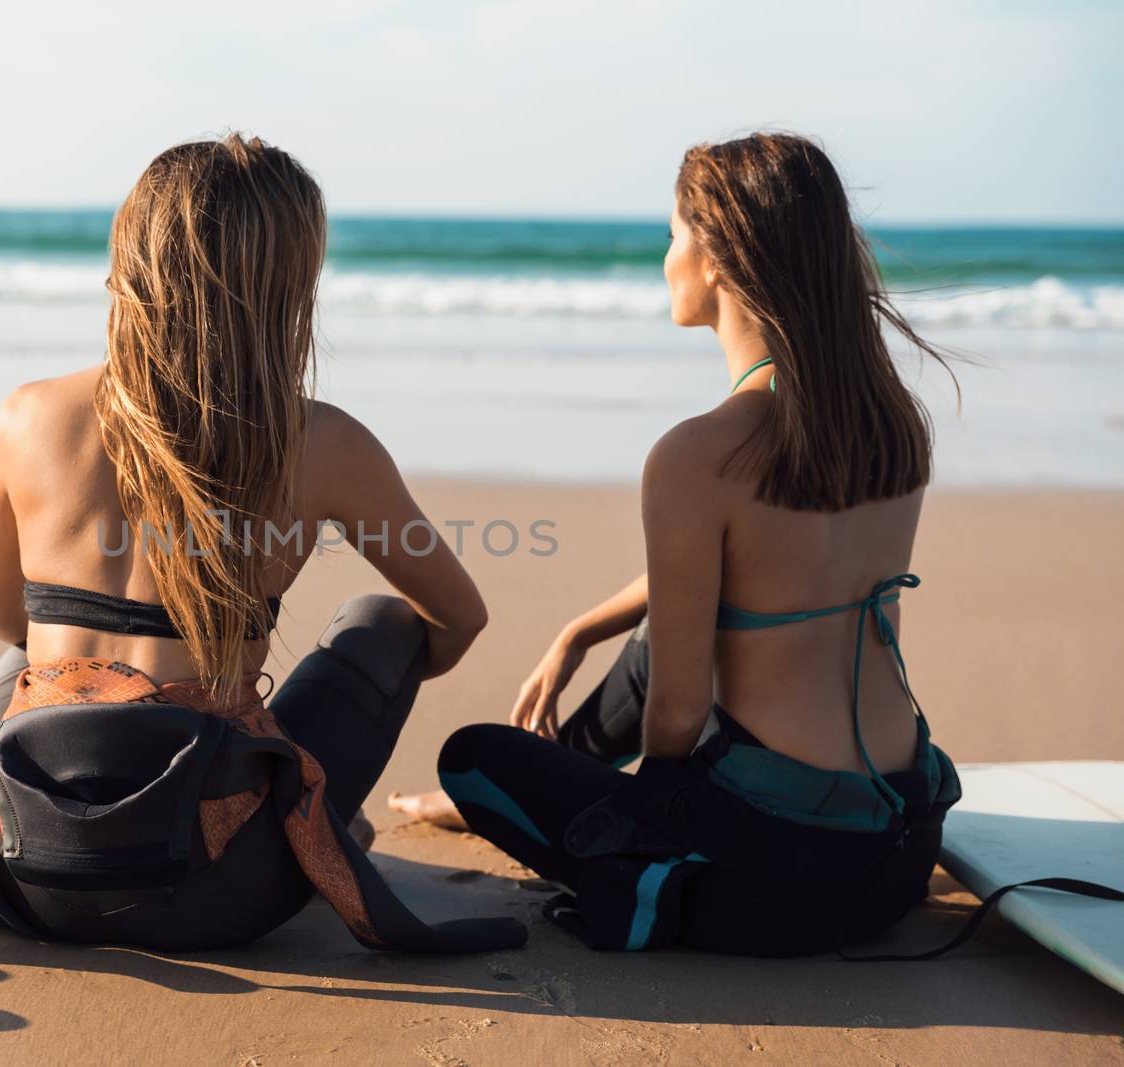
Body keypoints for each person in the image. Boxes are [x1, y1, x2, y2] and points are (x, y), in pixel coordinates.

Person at [0, 134, 524, 954]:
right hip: (214, 896)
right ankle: (274, 798)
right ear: (289, 283)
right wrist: (261, 724)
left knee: (26, 660)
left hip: (31, 881)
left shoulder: (26, 416)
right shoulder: (322, 444)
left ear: (132, 253)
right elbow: (458, 617)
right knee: (384, 619)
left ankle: (180, 765)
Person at [393, 132, 964, 956]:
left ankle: (617, 859)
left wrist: (633, 786)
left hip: (780, 882)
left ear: (717, 259)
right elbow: (759, 568)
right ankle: (574, 765)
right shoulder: (886, 423)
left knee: (476, 761)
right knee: (663, 631)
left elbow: (676, 719)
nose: (665, 257)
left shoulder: (699, 456)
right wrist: (578, 630)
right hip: (898, 849)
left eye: (672, 235)